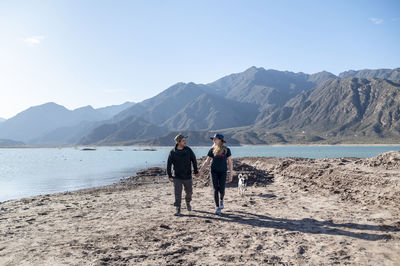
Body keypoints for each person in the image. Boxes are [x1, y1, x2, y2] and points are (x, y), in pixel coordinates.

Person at [199, 133, 233, 215]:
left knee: (222, 189)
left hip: (223, 172)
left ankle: (221, 200)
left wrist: (231, 174)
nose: (214, 140)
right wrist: (200, 171)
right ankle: (217, 207)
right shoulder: (212, 150)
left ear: (220, 140)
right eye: (213, 139)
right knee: (215, 189)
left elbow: (230, 162)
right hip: (213, 171)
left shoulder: (226, 150)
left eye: (215, 139)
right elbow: (207, 161)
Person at [167, 134, 199, 216]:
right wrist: (169, 175)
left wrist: (196, 171)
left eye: (185, 140)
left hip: (187, 176)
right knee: (177, 193)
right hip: (177, 176)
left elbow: (194, 160)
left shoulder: (188, 150)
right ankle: (178, 208)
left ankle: (188, 202)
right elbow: (169, 164)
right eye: (183, 140)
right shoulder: (172, 152)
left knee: (189, 192)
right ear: (178, 142)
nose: (185, 142)